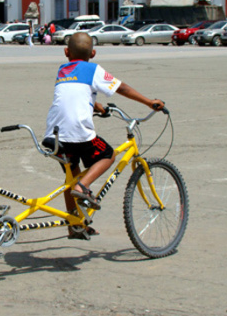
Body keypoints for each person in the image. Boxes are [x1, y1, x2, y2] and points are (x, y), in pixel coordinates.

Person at [44, 32, 164, 239]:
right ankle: (83, 187)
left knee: (70, 177)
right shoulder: (92, 69)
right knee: (108, 155)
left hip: (54, 134)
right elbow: (122, 88)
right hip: (77, 133)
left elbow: (75, 96)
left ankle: (75, 225)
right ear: (93, 52)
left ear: (66, 52)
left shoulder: (63, 70)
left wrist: (97, 106)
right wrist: (149, 102)